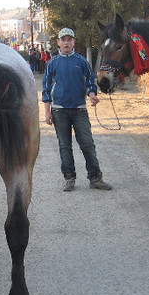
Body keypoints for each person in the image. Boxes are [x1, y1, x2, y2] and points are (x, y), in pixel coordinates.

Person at [42, 27, 112, 192]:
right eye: (63, 39)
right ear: (58, 43)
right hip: (59, 111)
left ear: (74, 42)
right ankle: (69, 178)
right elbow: (46, 89)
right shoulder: (52, 63)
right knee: (64, 146)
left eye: (69, 39)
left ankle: (95, 178)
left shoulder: (82, 62)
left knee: (87, 144)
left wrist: (92, 94)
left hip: (80, 110)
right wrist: (47, 112)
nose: (66, 42)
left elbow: (89, 82)